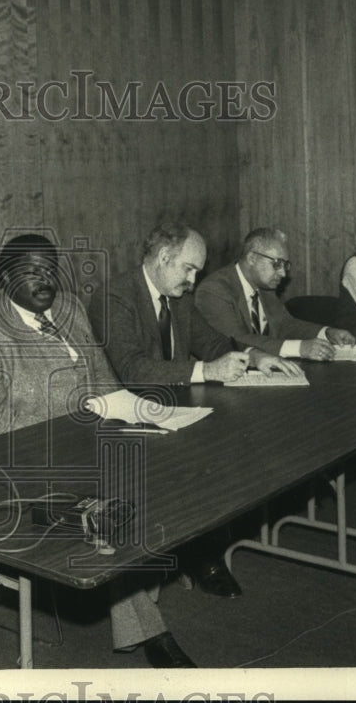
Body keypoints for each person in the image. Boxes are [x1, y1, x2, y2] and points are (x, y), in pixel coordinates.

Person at [0, 233, 197, 668]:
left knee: (165, 464)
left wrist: (141, 413)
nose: (45, 281)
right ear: (4, 278)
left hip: (90, 448)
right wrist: (78, 422)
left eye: (51, 270)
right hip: (28, 470)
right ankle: (153, 632)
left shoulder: (69, 308)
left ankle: (150, 582)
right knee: (111, 505)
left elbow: (104, 380)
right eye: (31, 271)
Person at [87, 219, 301, 600]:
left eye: (197, 272)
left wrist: (254, 356)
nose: (192, 281)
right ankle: (199, 557)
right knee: (205, 457)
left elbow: (212, 342)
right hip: (127, 420)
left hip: (175, 407)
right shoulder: (115, 296)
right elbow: (133, 370)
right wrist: (208, 371)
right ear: (164, 257)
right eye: (188, 269)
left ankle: (200, 551)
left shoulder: (180, 296)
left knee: (231, 444)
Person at [195, 228, 356, 360]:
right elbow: (235, 340)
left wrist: (326, 333)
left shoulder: (264, 287)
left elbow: (285, 325)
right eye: (277, 264)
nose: (283, 274)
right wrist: (299, 348)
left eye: (285, 265)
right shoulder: (214, 289)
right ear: (252, 258)